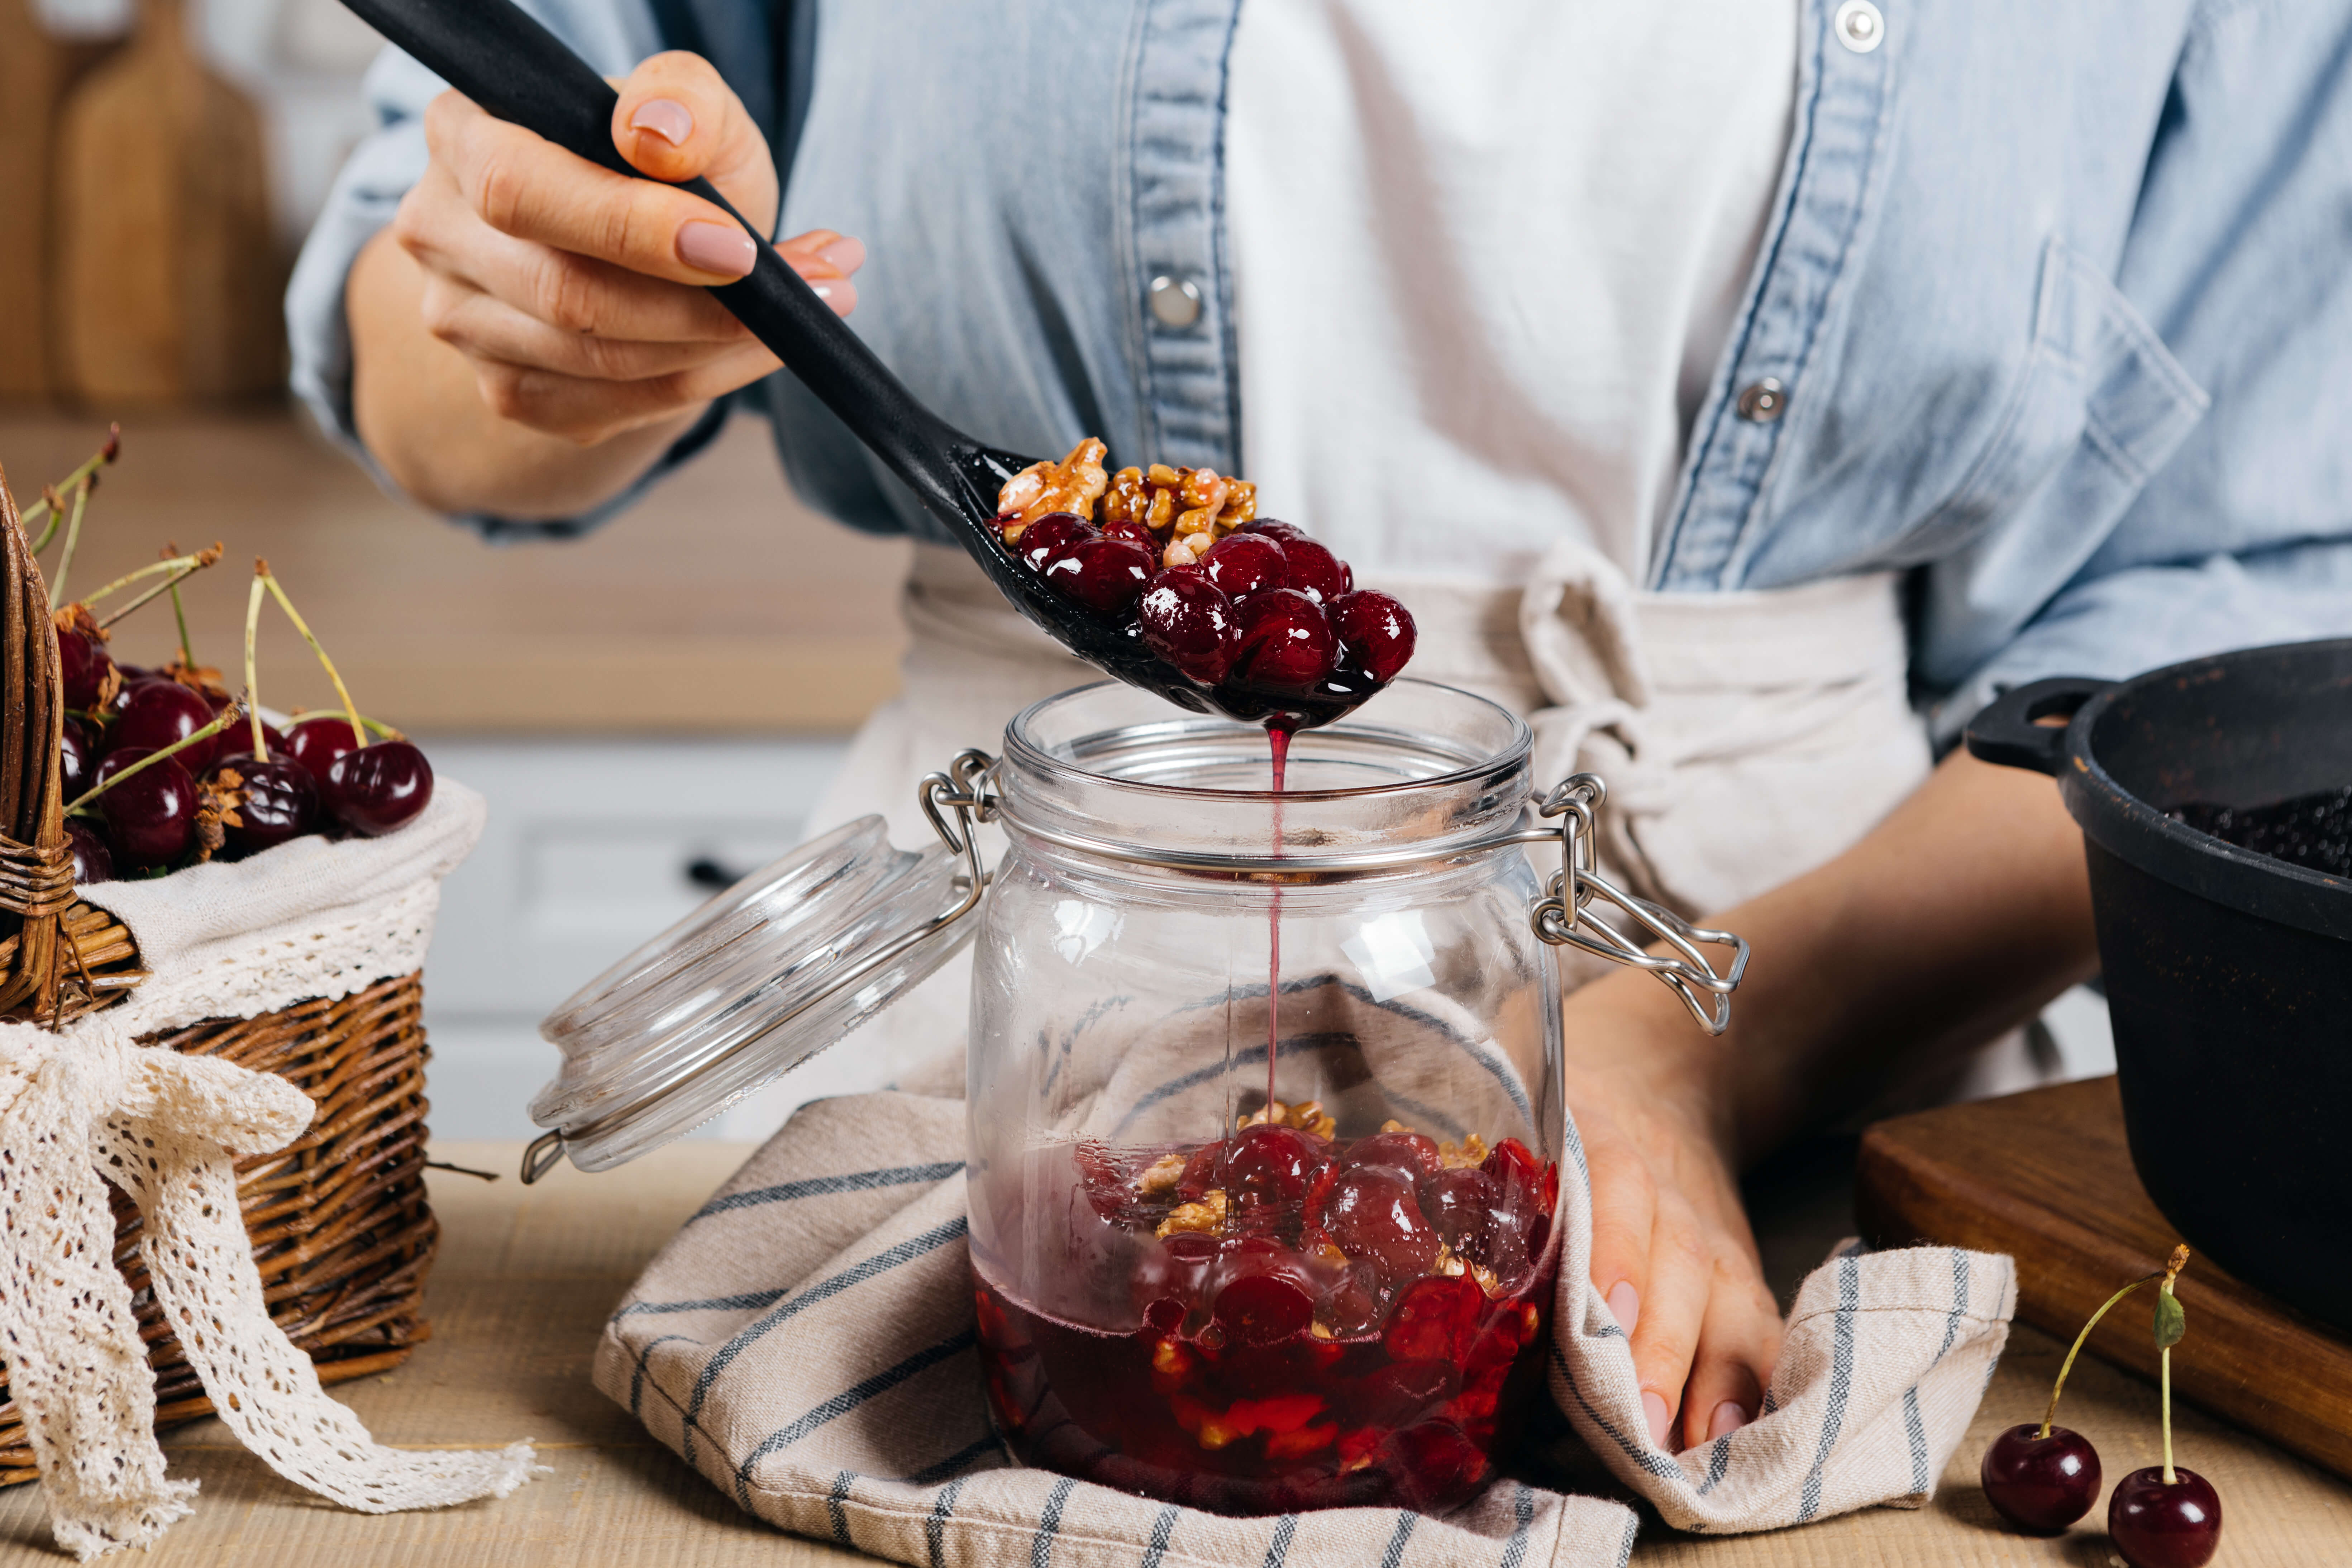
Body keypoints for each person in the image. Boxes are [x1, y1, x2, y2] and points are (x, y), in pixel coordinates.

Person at [291, 0, 2352, 1459]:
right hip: (1005, 966)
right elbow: (429, 358)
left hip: (1825, 1025)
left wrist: (1683, 1042)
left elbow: (2220, 633)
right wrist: (539, 309)